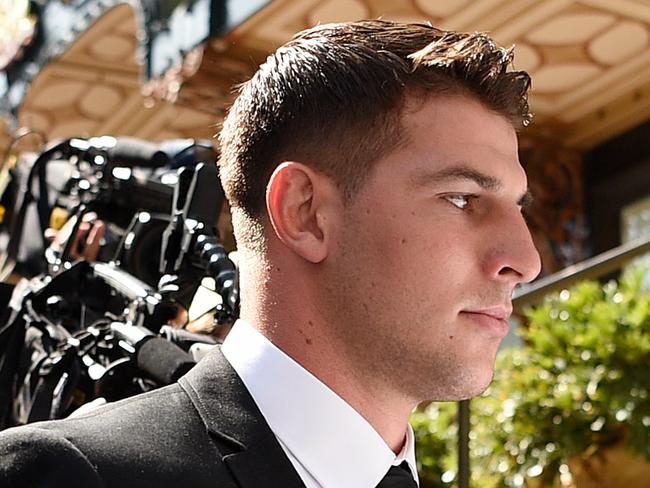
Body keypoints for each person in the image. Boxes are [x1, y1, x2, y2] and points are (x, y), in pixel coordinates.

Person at [0, 19, 541, 487]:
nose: (526, 259)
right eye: (461, 198)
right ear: (304, 211)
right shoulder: (72, 476)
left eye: (518, 207)